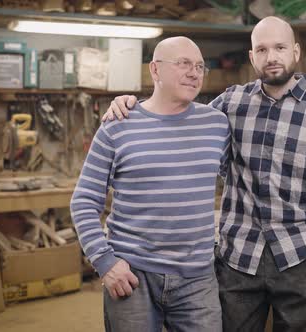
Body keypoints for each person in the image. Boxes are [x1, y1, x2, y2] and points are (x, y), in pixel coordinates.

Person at [103, 16, 306, 332]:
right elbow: (176, 112)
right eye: (261, 49)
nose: (271, 57)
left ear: (296, 52)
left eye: (280, 47)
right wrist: (130, 106)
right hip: (238, 260)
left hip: (300, 258)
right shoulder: (231, 103)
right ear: (251, 57)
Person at [70, 36, 229, 332]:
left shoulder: (217, 124)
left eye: (200, 66)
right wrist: (105, 262)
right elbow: (83, 201)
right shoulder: (118, 125)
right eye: (183, 64)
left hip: (198, 279)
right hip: (132, 276)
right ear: (155, 70)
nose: (194, 72)